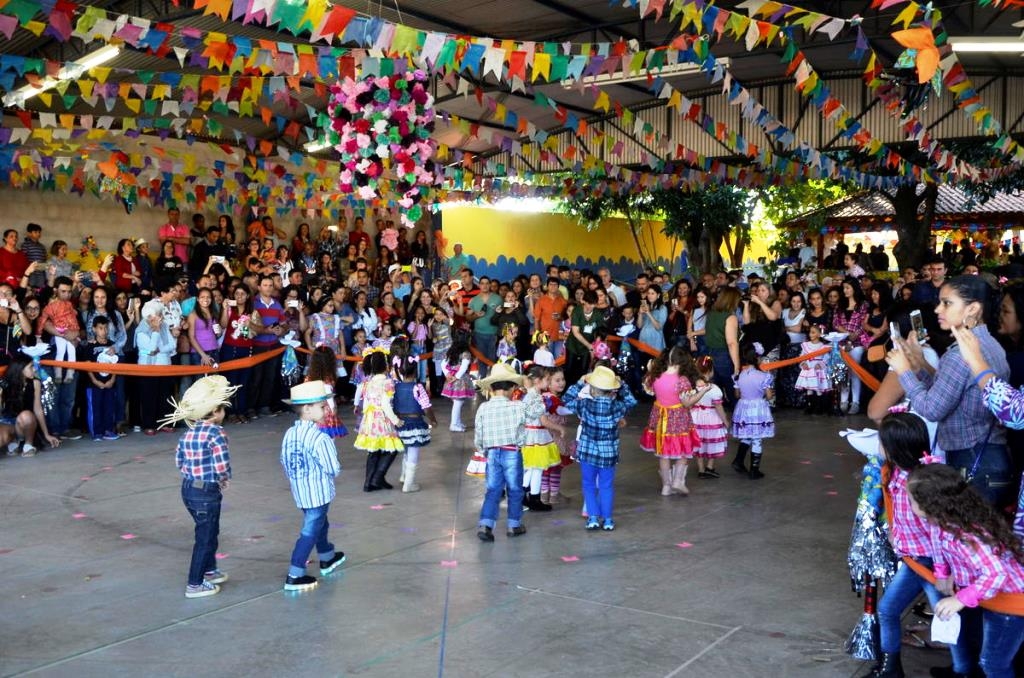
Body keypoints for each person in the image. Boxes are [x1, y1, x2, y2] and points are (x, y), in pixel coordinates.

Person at [886, 275, 1011, 508]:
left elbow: (931, 409)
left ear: (973, 308)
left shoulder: (960, 354)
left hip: (972, 458)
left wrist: (903, 371)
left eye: (947, 303)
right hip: (989, 456)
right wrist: (918, 365)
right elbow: (951, 391)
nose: (937, 309)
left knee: (968, 539)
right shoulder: (989, 344)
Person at [868, 414, 968, 678]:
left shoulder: (920, 483)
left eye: (880, 441)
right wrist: (896, 534)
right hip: (914, 560)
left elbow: (937, 533)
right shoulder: (899, 474)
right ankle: (891, 669)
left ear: (893, 448)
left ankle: (963, 671)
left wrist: (943, 573)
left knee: (948, 618)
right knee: (888, 610)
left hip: (930, 565)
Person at [908, 463, 1024, 678]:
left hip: (1011, 604)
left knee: (993, 663)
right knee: (984, 651)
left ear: (930, 505)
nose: (909, 505)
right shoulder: (942, 522)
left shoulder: (968, 537)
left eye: (911, 500)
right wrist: (944, 573)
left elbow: (996, 574)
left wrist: (960, 599)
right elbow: (941, 548)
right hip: (992, 599)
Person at [166, 376, 239, 598]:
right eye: (223, 409)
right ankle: (195, 583)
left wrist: (191, 474)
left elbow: (179, 460)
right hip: (206, 490)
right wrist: (224, 478)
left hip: (188, 488)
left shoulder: (187, 434)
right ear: (216, 411)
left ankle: (209, 571)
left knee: (209, 530)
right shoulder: (217, 434)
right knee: (206, 536)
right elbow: (222, 464)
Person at [279, 380, 347, 592]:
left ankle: (327, 555)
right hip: (318, 493)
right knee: (309, 531)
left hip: (300, 492)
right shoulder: (319, 438)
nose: (326, 409)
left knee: (319, 523)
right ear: (307, 409)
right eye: (322, 406)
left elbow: (284, 460)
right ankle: (295, 572)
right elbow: (332, 467)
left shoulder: (290, 434)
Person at [473, 362, 545, 542]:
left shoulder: (483, 408)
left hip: (492, 453)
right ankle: (514, 525)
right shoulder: (518, 406)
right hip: (512, 452)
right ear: (513, 388)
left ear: (491, 387)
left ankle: (486, 525)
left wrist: (483, 450)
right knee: (514, 490)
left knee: (493, 490)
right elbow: (539, 411)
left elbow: (479, 434)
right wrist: (532, 392)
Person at [561, 365, 637, 531]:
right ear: (611, 391)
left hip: (588, 453)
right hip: (609, 454)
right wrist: (622, 385)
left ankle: (593, 518)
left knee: (588, 484)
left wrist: (580, 382)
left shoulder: (584, 404)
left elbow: (566, 399)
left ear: (592, 389)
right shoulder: (617, 407)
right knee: (606, 486)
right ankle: (608, 519)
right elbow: (631, 401)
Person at [640, 346, 709, 496]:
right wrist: (703, 391)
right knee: (683, 451)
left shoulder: (656, 376)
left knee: (663, 454)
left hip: (659, 418)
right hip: (678, 419)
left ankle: (666, 486)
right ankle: (678, 481)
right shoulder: (682, 380)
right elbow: (687, 403)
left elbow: (649, 389)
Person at [353, 348, 404, 492]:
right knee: (392, 449)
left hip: (369, 420)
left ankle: (369, 482)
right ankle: (378, 477)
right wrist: (395, 420)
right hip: (382, 419)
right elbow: (386, 404)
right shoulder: (387, 382)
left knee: (374, 451)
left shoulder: (367, 383)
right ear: (385, 365)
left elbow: (367, 403)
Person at [519, 365, 563, 512]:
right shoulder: (536, 397)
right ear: (538, 381)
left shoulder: (528, 395)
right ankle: (532, 498)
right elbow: (544, 421)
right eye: (547, 380)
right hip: (537, 436)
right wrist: (559, 428)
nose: (548, 382)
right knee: (536, 469)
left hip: (530, 435)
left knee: (532, 468)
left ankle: (525, 497)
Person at [393, 355, 437, 493]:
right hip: (415, 423)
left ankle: (403, 476)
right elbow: (426, 406)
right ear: (415, 371)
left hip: (400, 423)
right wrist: (433, 420)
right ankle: (408, 484)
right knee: (413, 452)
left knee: (406, 449)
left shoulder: (395, 387)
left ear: (399, 370)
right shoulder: (418, 387)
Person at [1, 353, 60, 456]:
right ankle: (13, 441)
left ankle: (28, 445)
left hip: (27, 422)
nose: (35, 369)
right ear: (20, 369)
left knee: (26, 416)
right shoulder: (4, 383)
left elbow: (38, 409)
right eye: (31, 366)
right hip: (7, 423)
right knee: (3, 437)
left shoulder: (35, 382)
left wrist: (46, 434)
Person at [731, 344, 775, 480]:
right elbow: (768, 396)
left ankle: (738, 461)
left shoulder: (739, 375)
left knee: (747, 435)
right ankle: (754, 470)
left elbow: (737, 394)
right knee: (756, 438)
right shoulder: (764, 376)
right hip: (757, 407)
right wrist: (770, 393)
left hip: (743, 407)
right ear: (757, 358)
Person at [82, 316, 119, 442]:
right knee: (95, 408)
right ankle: (96, 432)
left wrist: (112, 380)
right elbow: (87, 366)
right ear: (94, 329)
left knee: (109, 407)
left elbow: (116, 364)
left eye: (106, 328)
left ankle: (108, 430)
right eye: (101, 328)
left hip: (109, 383)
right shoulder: (90, 346)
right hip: (94, 384)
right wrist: (95, 381)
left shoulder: (112, 346)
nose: (104, 331)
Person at [691, 356, 729, 479]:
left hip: (695, 418)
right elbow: (719, 408)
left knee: (699, 442)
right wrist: (725, 421)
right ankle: (710, 467)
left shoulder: (692, 387)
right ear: (710, 370)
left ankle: (701, 469)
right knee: (712, 441)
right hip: (711, 417)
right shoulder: (714, 389)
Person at [704, 287, 742, 406]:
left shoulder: (711, 314)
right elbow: (731, 342)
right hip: (724, 355)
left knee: (716, 391)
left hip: (709, 353)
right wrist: (736, 364)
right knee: (732, 389)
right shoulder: (730, 317)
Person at [306, 346, 348, 441]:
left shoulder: (309, 377)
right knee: (328, 439)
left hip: (311, 410)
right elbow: (328, 393)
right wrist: (333, 407)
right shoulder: (328, 377)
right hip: (325, 411)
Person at [794, 324, 831, 415]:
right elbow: (802, 356)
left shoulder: (823, 346)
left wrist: (820, 364)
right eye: (810, 332)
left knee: (818, 388)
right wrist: (803, 363)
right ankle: (809, 405)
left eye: (813, 332)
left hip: (817, 369)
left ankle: (819, 407)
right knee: (809, 388)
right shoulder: (806, 345)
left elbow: (826, 358)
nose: (810, 334)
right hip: (809, 368)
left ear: (819, 334)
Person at [441, 334, 474, 432]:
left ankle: (458, 422)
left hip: (451, 379)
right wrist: (455, 377)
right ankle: (454, 424)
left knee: (458, 402)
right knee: (458, 402)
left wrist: (447, 374)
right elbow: (464, 368)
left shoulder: (451, 351)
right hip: (460, 381)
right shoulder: (466, 353)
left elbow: (443, 364)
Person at [637, 285, 667, 353]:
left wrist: (648, 313)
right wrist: (640, 313)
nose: (650, 295)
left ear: (658, 295)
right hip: (643, 340)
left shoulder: (662, 308)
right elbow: (639, 326)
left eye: (652, 293)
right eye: (648, 293)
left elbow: (658, 327)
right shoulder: (645, 306)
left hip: (656, 343)